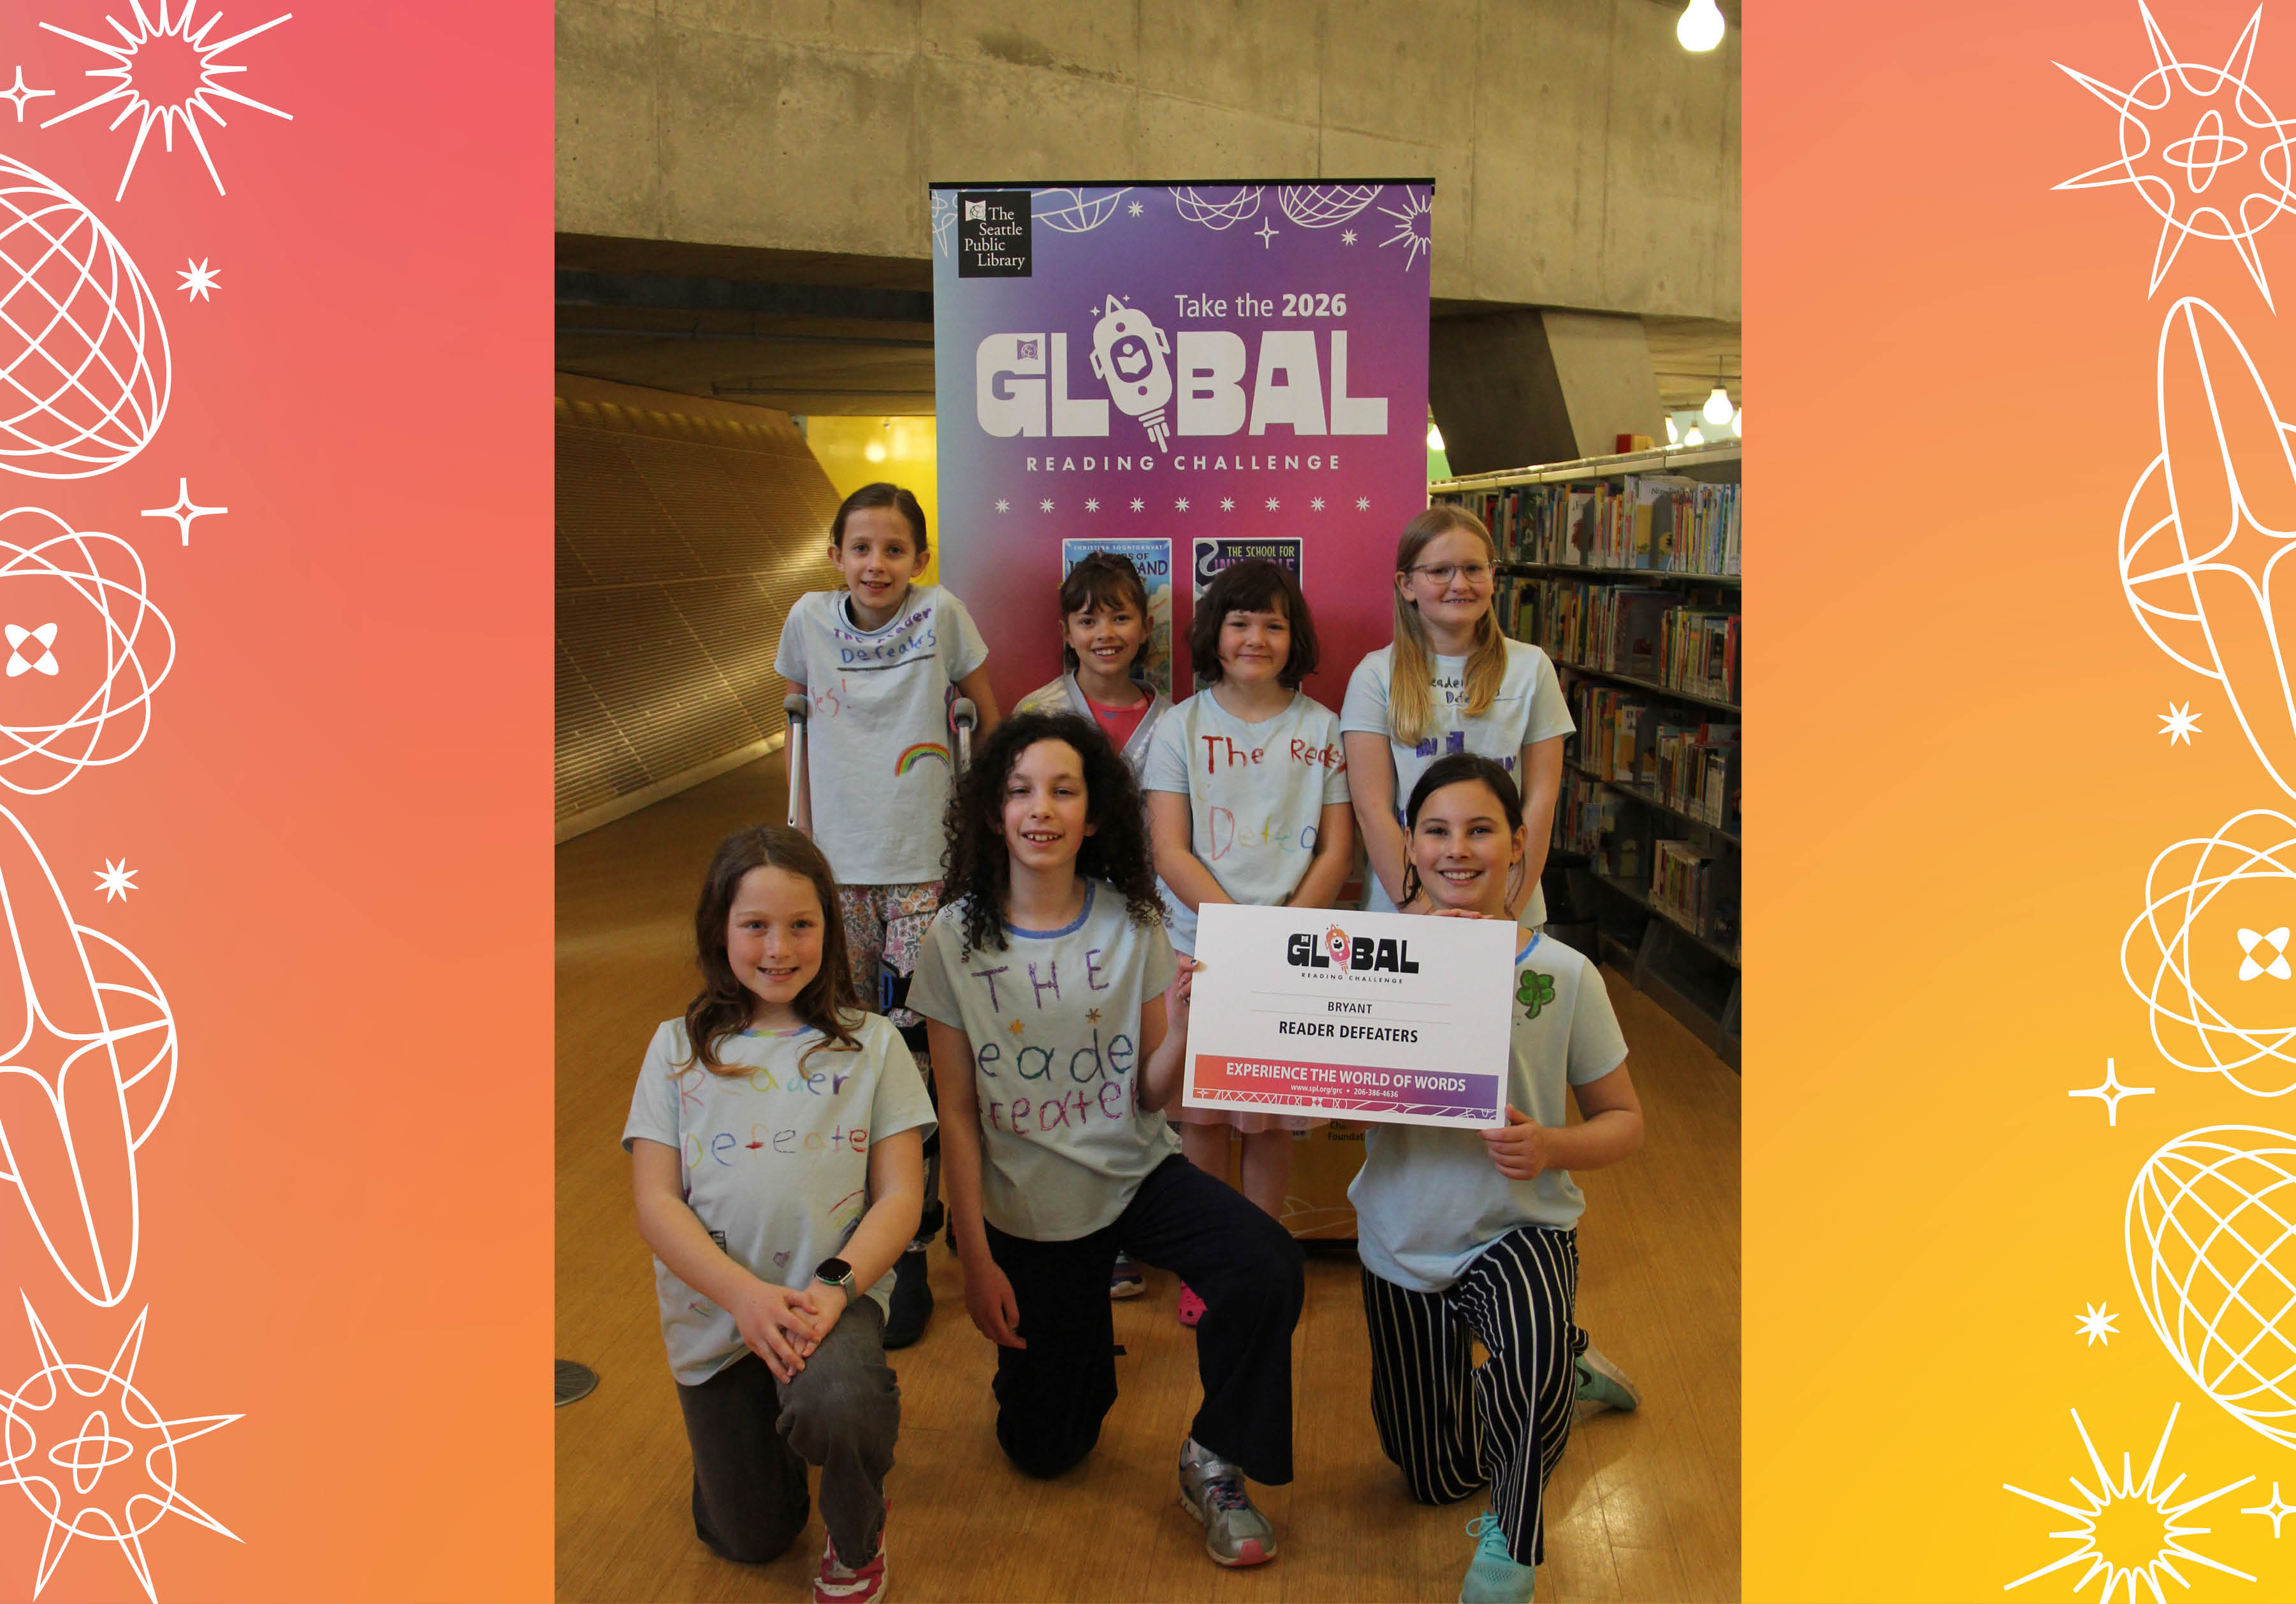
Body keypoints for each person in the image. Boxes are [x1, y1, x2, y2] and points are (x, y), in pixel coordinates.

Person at [908, 710, 1307, 1568]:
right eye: (1019, 791)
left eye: (1062, 790)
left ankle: (1213, 1457)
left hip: (1134, 1171)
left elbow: (1150, 1093)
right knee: (1046, 1450)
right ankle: (1074, 1339)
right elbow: (957, 1115)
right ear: (990, 811)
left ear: (1094, 816)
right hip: (1030, 1207)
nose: (1039, 809)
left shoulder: (1134, 921)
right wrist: (974, 1258)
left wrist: (1185, 1034)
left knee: (1265, 1262)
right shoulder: (951, 938)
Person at [1349, 755, 1645, 1604]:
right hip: (1402, 1240)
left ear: (1519, 843)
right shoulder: (1371, 963)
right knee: (1434, 1476)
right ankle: (1567, 1375)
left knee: (1522, 1361)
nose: (1457, 850)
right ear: (1409, 843)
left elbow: (1625, 1121)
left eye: (1481, 829)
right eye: (1436, 831)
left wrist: (1550, 1145)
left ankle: (1512, 1542)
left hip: (1518, 1225)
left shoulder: (1563, 974)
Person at [624, 825, 934, 1604]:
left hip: (829, 1300)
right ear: (717, 930)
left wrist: (834, 1286)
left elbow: (901, 1195)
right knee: (750, 1539)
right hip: (718, 1314)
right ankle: (760, 1449)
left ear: (830, 931)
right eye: (753, 926)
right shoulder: (673, 1050)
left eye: (801, 925)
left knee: (839, 1405)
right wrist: (742, 1298)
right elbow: (656, 1202)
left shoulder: (874, 1048)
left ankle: (856, 1528)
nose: (778, 947)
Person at [773, 482, 1000, 1348]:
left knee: (910, 1045)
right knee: (844, 1038)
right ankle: (853, 1210)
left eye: (894, 548)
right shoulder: (805, 619)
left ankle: (913, 1228)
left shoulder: (941, 614)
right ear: (836, 555)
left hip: (919, 869)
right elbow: (793, 711)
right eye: (860, 547)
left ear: (920, 557)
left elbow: (985, 698)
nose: (877, 563)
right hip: (835, 869)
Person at [1143, 558, 1351, 1323]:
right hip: (1198, 945)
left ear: (1292, 636)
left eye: (1273, 622)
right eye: (1239, 621)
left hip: (1291, 947)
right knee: (1201, 1119)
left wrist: (1279, 931)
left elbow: (1336, 852)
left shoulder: (1322, 727)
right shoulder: (1180, 726)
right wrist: (1234, 931)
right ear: (1213, 634)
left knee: (1269, 1122)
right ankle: (1210, 1264)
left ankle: (1264, 1262)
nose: (1255, 637)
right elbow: (1169, 850)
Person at [1015, 549, 1172, 1299]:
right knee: (1065, 1056)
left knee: (1134, 1059)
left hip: (1144, 914)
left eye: (1119, 616)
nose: (1104, 632)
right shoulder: (1039, 712)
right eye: (1087, 619)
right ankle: (1075, 1222)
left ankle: (1128, 1214)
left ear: (1145, 627)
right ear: (1066, 631)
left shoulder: (1174, 717)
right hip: (1057, 917)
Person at [1340, 506, 1571, 928]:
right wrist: (1426, 916)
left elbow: (1540, 803)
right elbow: (1373, 812)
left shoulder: (1532, 668)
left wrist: (1507, 913)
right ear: (1407, 584)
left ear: (1492, 577)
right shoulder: (1375, 676)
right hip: (1404, 914)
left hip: (1509, 911)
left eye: (1472, 569)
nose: (1460, 584)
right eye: (1441, 571)